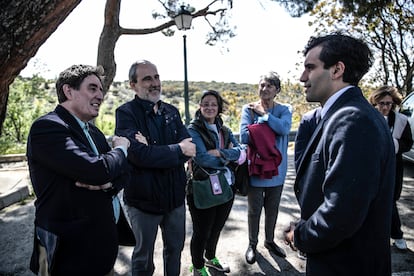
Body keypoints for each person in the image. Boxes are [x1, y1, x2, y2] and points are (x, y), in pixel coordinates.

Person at [285, 33, 396, 275]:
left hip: (345, 265)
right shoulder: (346, 114)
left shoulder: (353, 119)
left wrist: (299, 235)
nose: (302, 77)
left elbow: (341, 213)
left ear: (337, 69)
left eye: (310, 68)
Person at [27, 64, 131, 275]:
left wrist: (108, 181)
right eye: (93, 88)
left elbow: (122, 174)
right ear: (68, 91)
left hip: (102, 248)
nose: (100, 96)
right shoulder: (47, 127)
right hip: (68, 253)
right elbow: (99, 170)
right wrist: (121, 149)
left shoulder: (94, 132)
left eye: (101, 90)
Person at [115, 60, 196, 276]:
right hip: (143, 202)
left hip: (174, 200)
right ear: (132, 84)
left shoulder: (171, 111)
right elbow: (137, 156)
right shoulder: (125, 113)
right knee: (143, 259)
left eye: (157, 77)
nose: (154, 83)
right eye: (147, 78)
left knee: (175, 251)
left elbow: (190, 148)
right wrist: (176, 150)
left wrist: (152, 150)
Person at [187, 90, 246, 276]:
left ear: (219, 107)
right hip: (202, 187)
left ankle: (210, 258)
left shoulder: (225, 130)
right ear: (200, 106)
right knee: (201, 231)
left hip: (227, 186)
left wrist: (221, 153)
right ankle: (197, 265)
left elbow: (242, 152)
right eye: (206, 103)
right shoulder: (193, 130)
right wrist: (229, 157)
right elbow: (203, 159)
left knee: (217, 228)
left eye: (214, 104)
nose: (210, 107)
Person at [239, 71, 293, 264]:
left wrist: (263, 117)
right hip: (256, 169)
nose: (265, 89)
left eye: (270, 86)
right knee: (254, 210)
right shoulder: (248, 109)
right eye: (262, 85)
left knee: (272, 209)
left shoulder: (285, 109)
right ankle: (252, 244)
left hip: (277, 170)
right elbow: (244, 136)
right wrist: (268, 126)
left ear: (277, 90)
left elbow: (285, 129)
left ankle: (269, 241)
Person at [368, 85, 413, 251]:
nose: (385, 107)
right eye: (381, 103)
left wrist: (394, 144)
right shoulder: (368, 118)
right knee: (371, 202)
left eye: (388, 103)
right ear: (375, 103)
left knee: (390, 201)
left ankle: (397, 235)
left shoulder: (401, 120)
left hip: (393, 167)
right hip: (371, 166)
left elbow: (408, 143)